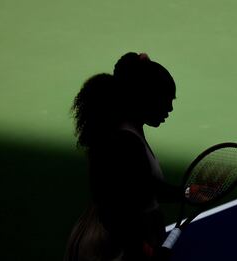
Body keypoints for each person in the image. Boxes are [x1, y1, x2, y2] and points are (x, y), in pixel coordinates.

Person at [65, 52, 180, 261]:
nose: (170, 108)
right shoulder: (125, 144)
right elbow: (116, 215)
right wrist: (147, 251)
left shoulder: (127, 130)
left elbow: (145, 185)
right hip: (115, 248)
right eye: (165, 100)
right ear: (144, 99)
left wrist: (187, 193)